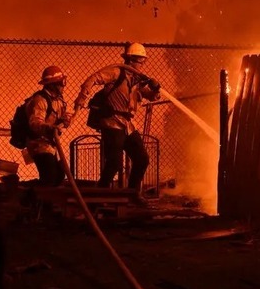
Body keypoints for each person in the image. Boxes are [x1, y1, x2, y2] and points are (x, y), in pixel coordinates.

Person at [73, 42, 161, 194]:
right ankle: (101, 193)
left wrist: (156, 88)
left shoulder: (136, 80)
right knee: (114, 163)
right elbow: (92, 79)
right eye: (140, 60)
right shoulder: (116, 72)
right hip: (112, 122)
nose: (142, 64)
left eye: (143, 60)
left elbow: (152, 96)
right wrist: (82, 98)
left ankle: (133, 194)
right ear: (131, 59)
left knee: (142, 159)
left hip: (127, 125)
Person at [26, 65, 72, 186]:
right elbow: (35, 123)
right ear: (52, 85)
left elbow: (58, 119)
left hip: (50, 144)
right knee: (50, 176)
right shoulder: (40, 100)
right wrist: (51, 128)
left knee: (59, 175)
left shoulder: (58, 100)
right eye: (61, 82)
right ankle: (33, 197)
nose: (63, 86)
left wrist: (64, 120)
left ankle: (37, 197)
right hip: (38, 144)